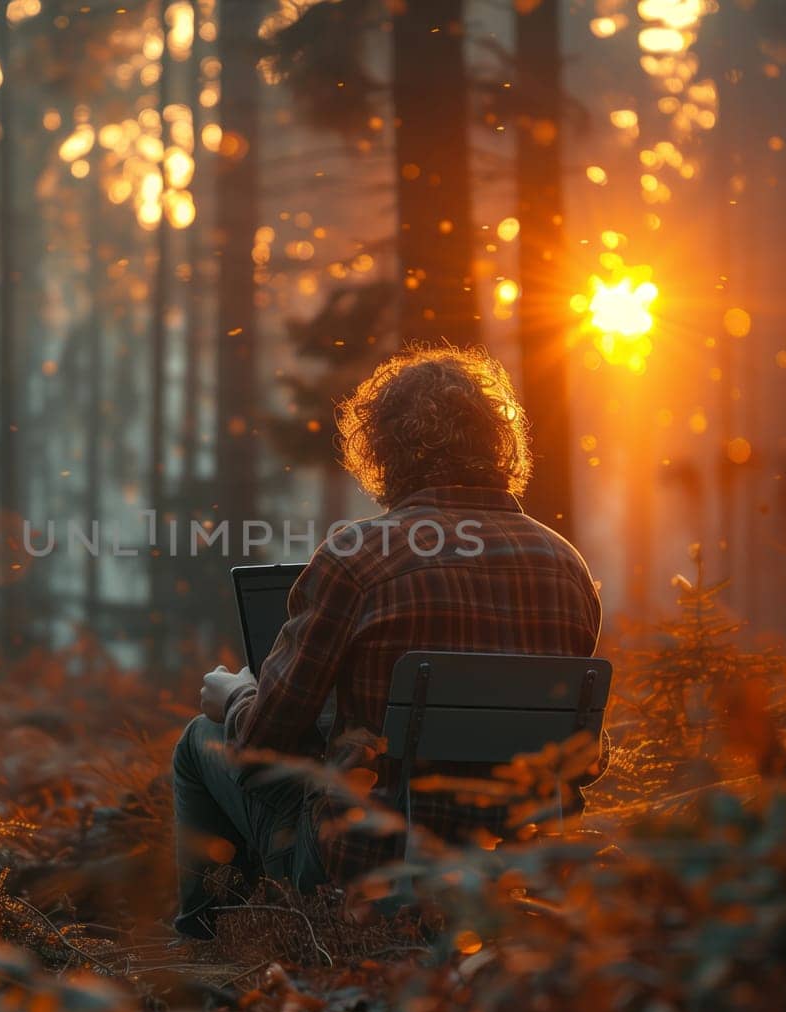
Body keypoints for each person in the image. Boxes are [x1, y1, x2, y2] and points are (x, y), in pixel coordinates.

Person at [172, 344, 603, 939]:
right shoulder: (565, 565)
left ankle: (213, 942)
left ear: (383, 450)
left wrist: (237, 699)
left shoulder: (355, 559)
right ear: (497, 443)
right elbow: (582, 756)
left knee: (202, 741)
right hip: (513, 865)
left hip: (371, 875)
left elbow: (258, 748)